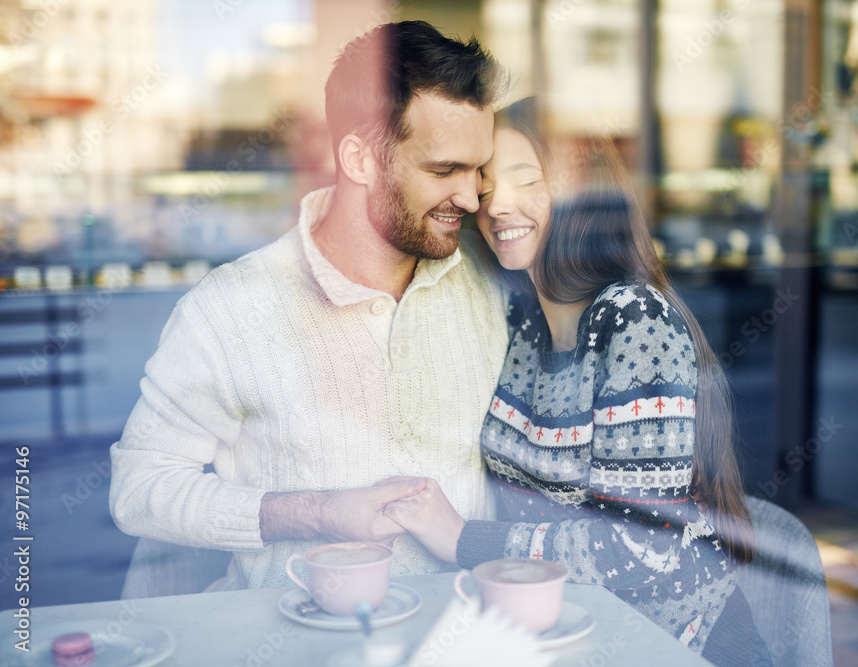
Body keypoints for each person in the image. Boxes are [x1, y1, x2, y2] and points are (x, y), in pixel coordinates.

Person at [109, 21, 511, 589]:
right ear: (359, 159)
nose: (470, 198)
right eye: (444, 170)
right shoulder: (229, 309)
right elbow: (139, 489)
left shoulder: (489, 285)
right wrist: (315, 513)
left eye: (479, 171)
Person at [384, 100, 766, 664]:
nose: (498, 205)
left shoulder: (634, 319)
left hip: (680, 646)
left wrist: (462, 539)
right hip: (570, 639)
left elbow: (640, 546)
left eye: (528, 179)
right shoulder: (525, 327)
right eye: (485, 189)